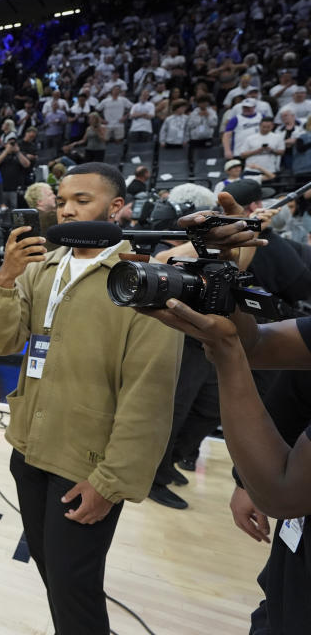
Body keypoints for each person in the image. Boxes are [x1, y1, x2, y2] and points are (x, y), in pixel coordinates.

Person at [0, 162, 183, 635]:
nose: (67, 209)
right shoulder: (41, 268)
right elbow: (2, 341)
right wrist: (6, 279)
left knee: (75, 583)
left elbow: (148, 397)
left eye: (82, 201)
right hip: (28, 447)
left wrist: (111, 482)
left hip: (85, 462)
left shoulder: (144, 281)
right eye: (63, 200)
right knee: (54, 572)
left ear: (116, 208)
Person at [139, 197, 311, 635]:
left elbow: (283, 493)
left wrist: (226, 352)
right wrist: (219, 271)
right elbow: (258, 344)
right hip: (288, 582)